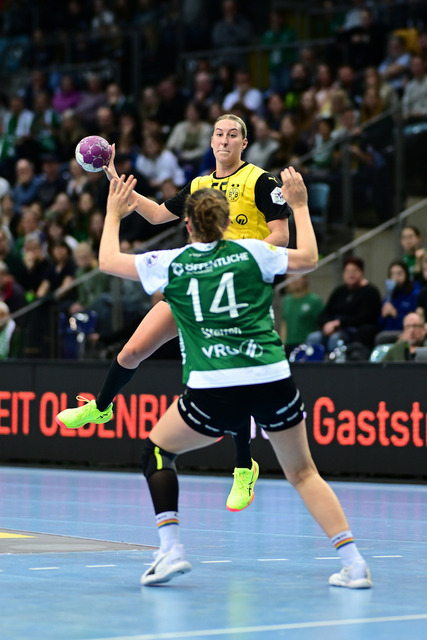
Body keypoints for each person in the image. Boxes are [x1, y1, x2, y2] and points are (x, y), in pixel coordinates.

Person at [79, 170, 371, 589]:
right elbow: (308, 257)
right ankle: (354, 563)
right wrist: (300, 206)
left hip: (214, 384)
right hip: (271, 376)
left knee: (157, 452)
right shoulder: (254, 251)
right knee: (304, 473)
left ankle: (171, 550)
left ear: (188, 225)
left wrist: (112, 214)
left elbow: (108, 261)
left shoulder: (174, 263)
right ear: (226, 221)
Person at [56, 113, 293, 513]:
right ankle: (100, 408)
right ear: (212, 141)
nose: (224, 140)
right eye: (219, 134)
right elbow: (154, 214)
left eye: (232, 135)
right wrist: (112, 174)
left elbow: (282, 236)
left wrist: (240, 259)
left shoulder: (261, 181)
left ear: (244, 143)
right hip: (193, 284)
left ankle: (243, 467)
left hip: (234, 294)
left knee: (229, 379)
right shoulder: (199, 185)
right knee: (132, 351)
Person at [306, 255, 381, 356]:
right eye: (348, 271)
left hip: (353, 331)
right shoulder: (339, 291)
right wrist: (326, 324)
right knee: (313, 338)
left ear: (362, 272)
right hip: (333, 328)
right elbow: (325, 313)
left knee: (335, 339)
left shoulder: (370, 292)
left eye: (354, 271)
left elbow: (365, 317)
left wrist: (339, 324)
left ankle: (337, 364)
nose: (351, 274)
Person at [280, 275, 324, 357]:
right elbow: (284, 323)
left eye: (296, 276)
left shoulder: (314, 301)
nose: (293, 280)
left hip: (306, 345)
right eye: (289, 277)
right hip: (288, 345)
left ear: (304, 279)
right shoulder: (286, 300)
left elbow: (322, 324)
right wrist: (282, 343)